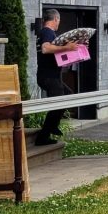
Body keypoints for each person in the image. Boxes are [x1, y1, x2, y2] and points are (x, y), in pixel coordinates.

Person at [35, 9, 78, 146]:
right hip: (48, 77)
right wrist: (67, 48)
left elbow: (54, 54)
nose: (59, 23)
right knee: (58, 103)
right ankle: (43, 137)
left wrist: (72, 50)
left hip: (52, 76)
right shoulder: (47, 32)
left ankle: (53, 125)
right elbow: (46, 49)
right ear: (55, 19)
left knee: (67, 95)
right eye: (59, 20)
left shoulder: (47, 33)